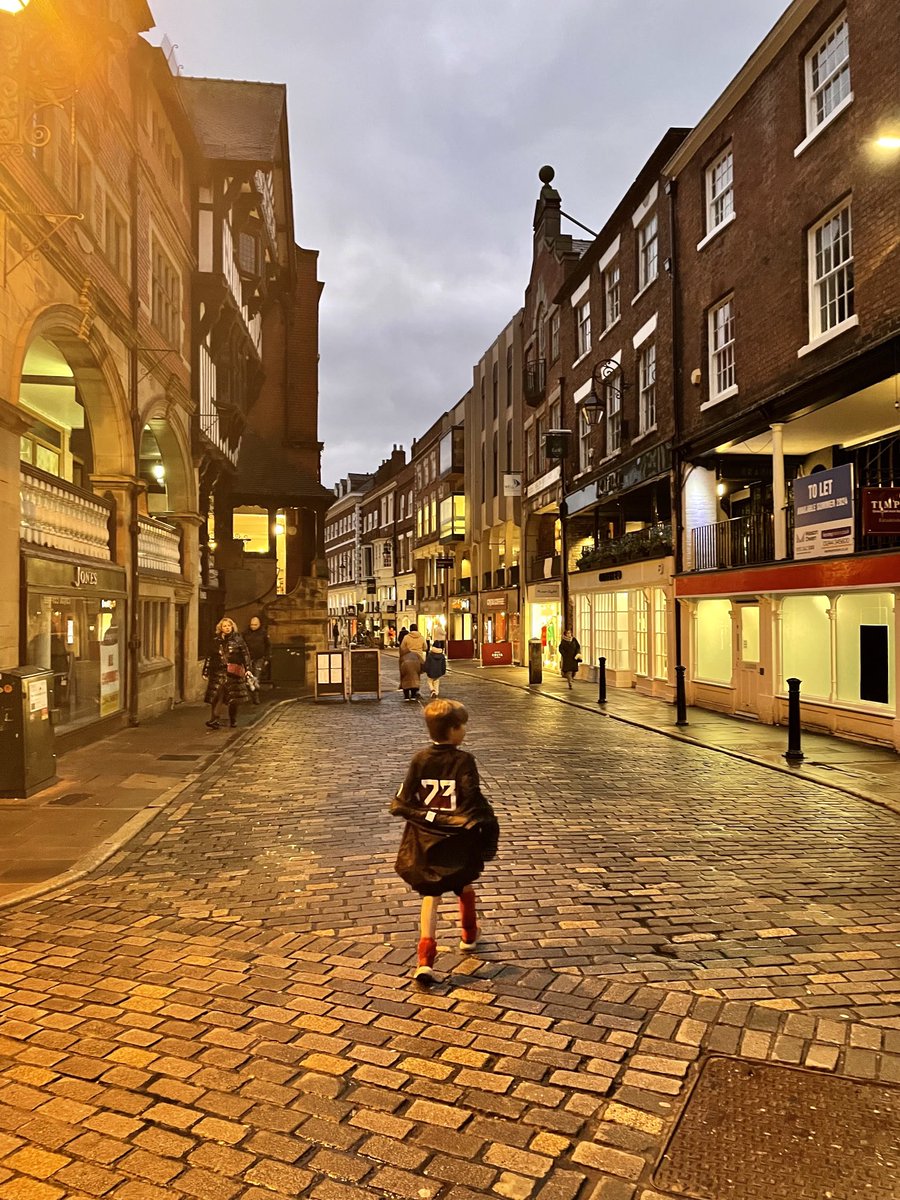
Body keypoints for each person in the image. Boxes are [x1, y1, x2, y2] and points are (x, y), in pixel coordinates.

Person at [391, 699, 499, 982]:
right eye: (461, 726)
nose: (464, 730)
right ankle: (468, 934)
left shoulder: (420, 759)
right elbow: (471, 796)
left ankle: (425, 958)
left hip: (424, 839)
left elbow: (404, 796)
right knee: (464, 882)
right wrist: (484, 822)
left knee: (430, 896)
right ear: (452, 730)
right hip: (457, 838)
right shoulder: (463, 760)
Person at [202, 617, 251, 728]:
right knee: (217, 695)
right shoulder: (216, 641)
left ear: (232, 626)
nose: (227, 628)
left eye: (229, 626)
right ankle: (214, 719)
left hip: (233, 672)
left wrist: (248, 669)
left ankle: (233, 719)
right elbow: (210, 657)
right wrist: (206, 671)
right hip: (218, 671)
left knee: (233, 698)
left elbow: (246, 655)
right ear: (221, 628)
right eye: (225, 626)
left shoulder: (238, 640)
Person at [244, 615, 271, 705]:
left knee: (256, 677)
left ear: (259, 624)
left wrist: (267, 658)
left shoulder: (263, 633)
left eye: (255, 625)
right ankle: (248, 696)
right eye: (252, 625)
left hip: (259, 657)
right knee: (248, 677)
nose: (253, 626)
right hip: (248, 658)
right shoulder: (245, 633)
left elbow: (268, 646)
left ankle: (256, 696)